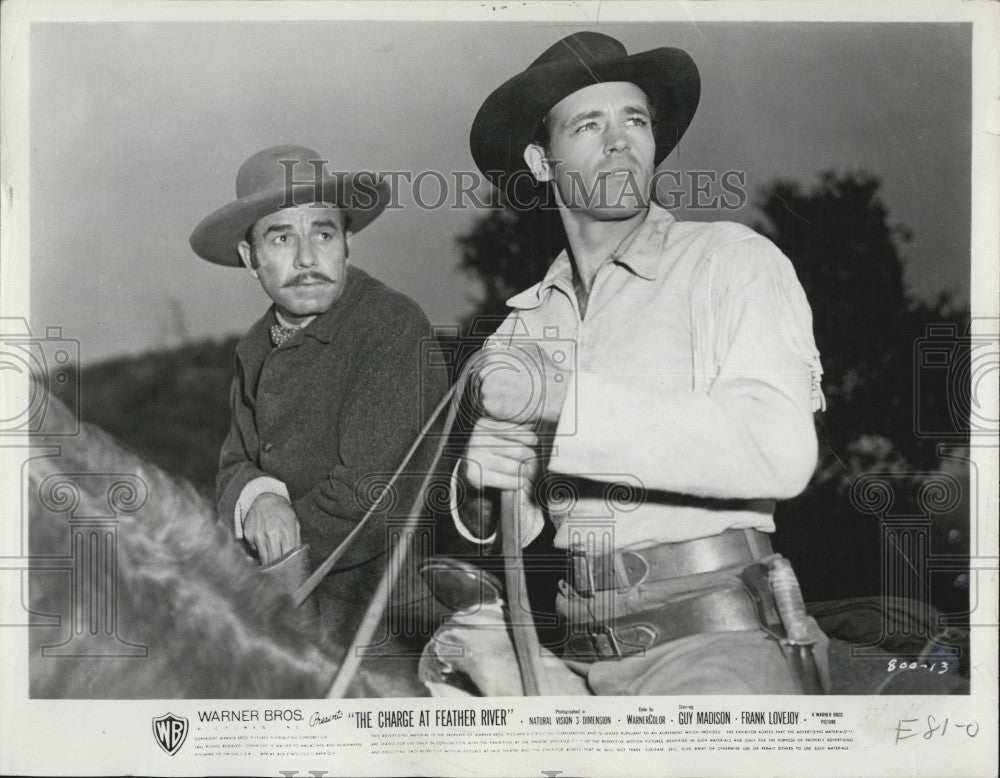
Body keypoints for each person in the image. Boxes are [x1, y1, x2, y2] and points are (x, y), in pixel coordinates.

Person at [451, 32, 830, 695]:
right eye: (589, 124)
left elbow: (782, 447)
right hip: (575, 649)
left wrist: (562, 400)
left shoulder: (731, 260)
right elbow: (518, 522)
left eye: (634, 119)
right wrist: (482, 492)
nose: (619, 139)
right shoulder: (521, 327)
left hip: (718, 640)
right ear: (542, 162)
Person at [190, 145, 447, 638]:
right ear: (251, 257)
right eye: (281, 237)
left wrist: (265, 557)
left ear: (347, 242)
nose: (307, 258)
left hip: (385, 616)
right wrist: (258, 497)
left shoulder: (390, 325)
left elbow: (370, 499)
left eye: (323, 233)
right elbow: (233, 463)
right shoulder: (253, 346)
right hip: (290, 607)